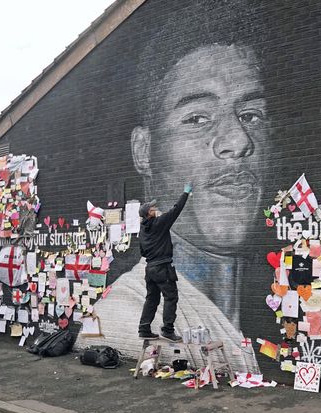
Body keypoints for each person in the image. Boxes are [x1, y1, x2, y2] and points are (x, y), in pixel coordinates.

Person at [80, 42, 269, 373]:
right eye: (197, 118)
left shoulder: (268, 303)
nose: (238, 141)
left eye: (251, 115)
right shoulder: (119, 315)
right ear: (144, 151)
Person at [137, 187, 191, 341]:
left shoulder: (142, 231)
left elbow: (142, 252)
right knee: (171, 297)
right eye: (153, 208)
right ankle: (168, 330)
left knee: (152, 299)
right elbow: (176, 209)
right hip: (162, 268)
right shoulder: (159, 223)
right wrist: (185, 193)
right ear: (149, 213)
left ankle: (144, 329)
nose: (156, 208)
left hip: (150, 269)